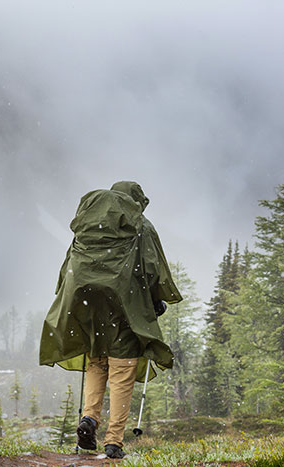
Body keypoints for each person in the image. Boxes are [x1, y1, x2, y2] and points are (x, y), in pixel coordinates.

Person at [39, 181, 182, 458]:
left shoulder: (90, 224)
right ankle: (114, 442)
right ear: (137, 202)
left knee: (96, 362)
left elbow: (70, 262)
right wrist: (156, 301)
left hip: (88, 302)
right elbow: (152, 269)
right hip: (125, 305)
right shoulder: (142, 226)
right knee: (122, 371)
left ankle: (89, 420)